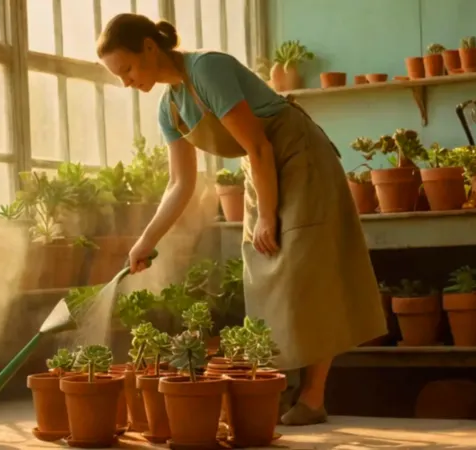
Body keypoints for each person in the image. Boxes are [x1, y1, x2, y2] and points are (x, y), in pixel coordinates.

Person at [96, 13, 387, 426]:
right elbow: (180, 183)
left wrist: (267, 215)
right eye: (118, 76)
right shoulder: (170, 109)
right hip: (260, 167)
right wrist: (146, 240)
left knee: (305, 267)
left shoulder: (207, 69)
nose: (126, 82)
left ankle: (313, 397)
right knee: (263, 269)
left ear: (148, 46)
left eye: (126, 69)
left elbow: (258, 144)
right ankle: (272, 389)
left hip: (296, 155)